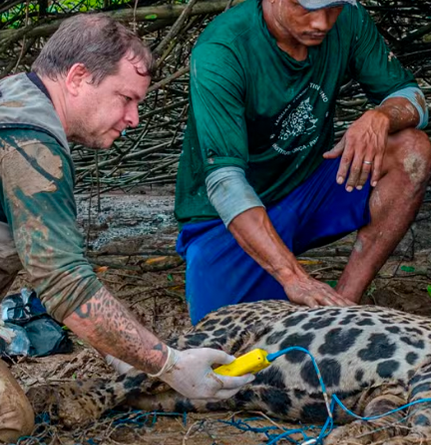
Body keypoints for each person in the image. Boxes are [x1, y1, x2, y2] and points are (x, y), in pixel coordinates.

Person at [0, 14, 254, 442]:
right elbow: (65, 283)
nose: (133, 118)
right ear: (79, 77)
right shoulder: (30, 143)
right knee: (9, 420)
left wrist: (122, 352)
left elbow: (50, 264)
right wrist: (167, 364)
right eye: (126, 99)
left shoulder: (18, 99)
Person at [174, 0, 431, 323]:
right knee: (222, 340)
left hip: (308, 188)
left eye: (333, 7)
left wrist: (381, 116)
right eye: (307, 7)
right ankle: (273, 271)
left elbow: (414, 99)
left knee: (411, 150)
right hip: (227, 218)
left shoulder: (349, 21)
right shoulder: (222, 49)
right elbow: (225, 183)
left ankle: (342, 310)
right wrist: (294, 277)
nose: (323, 23)